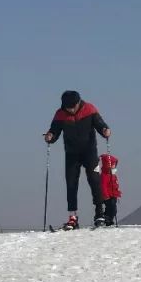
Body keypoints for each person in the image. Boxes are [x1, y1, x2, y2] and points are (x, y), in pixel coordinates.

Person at [43, 90, 112, 229]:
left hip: (89, 152)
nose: (71, 110)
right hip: (71, 154)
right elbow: (54, 130)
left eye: (72, 107)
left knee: (94, 180)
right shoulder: (60, 113)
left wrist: (105, 130)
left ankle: (99, 214)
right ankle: (72, 217)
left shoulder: (89, 109)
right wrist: (50, 136)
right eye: (68, 107)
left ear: (78, 102)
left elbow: (100, 124)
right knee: (71, 184)